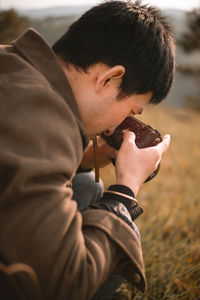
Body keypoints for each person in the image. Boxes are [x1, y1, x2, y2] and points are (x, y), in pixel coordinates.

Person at [0, 1, 175, 299]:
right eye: (132, 110)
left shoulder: (15, 66)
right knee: (125, 232)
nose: (115, 128)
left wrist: (82, 162)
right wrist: (125, 190)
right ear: (109, 79)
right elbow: (62, 282)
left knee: (85, 183)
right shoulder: (45, 115)